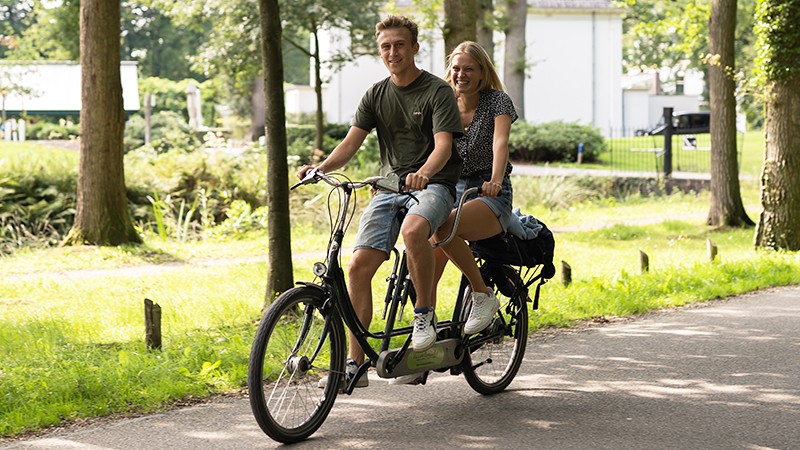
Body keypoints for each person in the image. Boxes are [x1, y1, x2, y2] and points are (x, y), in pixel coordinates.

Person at [297, 15, 463, 388]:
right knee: (357, 268)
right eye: (386, 46)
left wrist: (424, 172)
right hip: (389, 189)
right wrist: (319, 169)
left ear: (415, 48)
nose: (392, 52)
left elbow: (443, 146)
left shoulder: (437, 91)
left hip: (433, 186)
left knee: (415, 229)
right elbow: (351, 143)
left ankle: (424, 314)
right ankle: (356, 365)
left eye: (400, 45)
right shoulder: (376, 94)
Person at [431, 41, 519, 335]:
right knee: (426, 256)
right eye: (456, 68)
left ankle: (482, 295)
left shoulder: (498, 101)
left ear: (482, 72)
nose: (461, 74)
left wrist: (495, 179)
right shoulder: (441, 102)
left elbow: (500, 143)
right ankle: (424, 335)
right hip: (450, 187)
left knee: (445, 227)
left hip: (488, 191)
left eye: (469, 69)